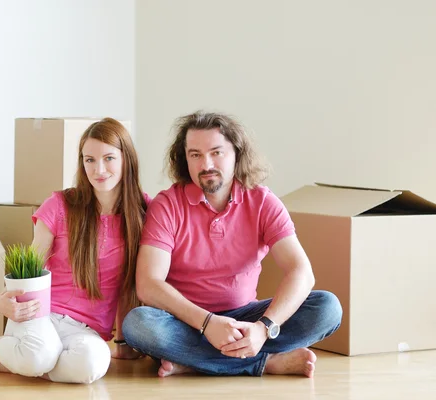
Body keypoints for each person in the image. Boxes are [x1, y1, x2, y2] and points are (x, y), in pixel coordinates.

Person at [122, 111, 343, 378]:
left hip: (247, 320)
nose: (206, 164)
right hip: (186, 321)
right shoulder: (167, 205)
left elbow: (302, 273)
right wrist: (208, 323)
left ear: (236, 153)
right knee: (139, 325)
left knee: (327, 308)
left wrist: (263, 329)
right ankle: (263, 363)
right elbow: (148, 285)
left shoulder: (262, 202)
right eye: (195, 155)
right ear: (185, 159)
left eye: (217, 152)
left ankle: (193, 362)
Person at [0, 117, 149, 384]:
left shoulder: (142, 212)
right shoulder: (61, 204)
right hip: (40, 314)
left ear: (127, 159)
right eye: (89, 159)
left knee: (90, 367)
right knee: (40, 355)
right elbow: (30, 269)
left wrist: (122, 342)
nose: (99, 169)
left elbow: (127, 284)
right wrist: (3, 300)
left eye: (109, 158)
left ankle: (8, 364)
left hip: (88, 331)